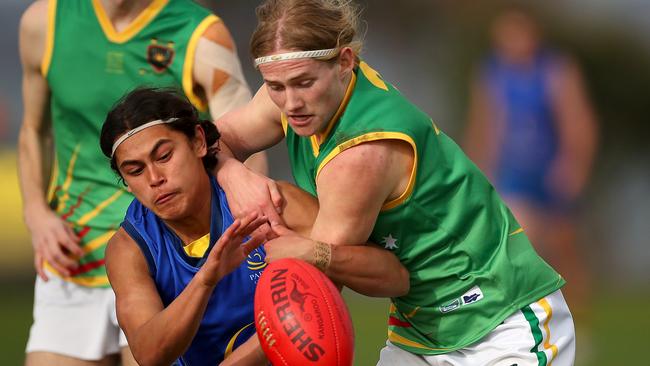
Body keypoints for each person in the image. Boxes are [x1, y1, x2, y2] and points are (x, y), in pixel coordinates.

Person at [213, 0, 576, 364]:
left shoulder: (360, 153)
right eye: (275, 86)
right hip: (420, 331)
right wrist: (234, 175)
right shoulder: (296, 94)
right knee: (279, 197)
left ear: (344, 61)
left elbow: (312, 294)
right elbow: (209, 140)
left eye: (303, 83)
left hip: (502, 321)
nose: (290, 103)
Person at [17, 0, 265, 364]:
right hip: (74, 252)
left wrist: (252, 237)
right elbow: (33, 130)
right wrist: (36, 212)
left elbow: (244, 140)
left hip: (165, 256)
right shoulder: (44, 22)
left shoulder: (200, 33)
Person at [99, 87, 409, 365]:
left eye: (164, 156)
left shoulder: (268, 204)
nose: (155, 179)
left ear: (198, 142)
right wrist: (207, 278)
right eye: (135, 170)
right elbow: (149, 353)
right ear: (125, 182)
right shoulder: (130, 249)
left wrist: (318, 254)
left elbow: (394, 276)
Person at [463, 7, 598, 327]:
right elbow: (484, 126)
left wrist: (574, 164)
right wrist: (479, 171)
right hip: (513, 173)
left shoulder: (555, 70)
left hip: (550, 171)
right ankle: (528, 322)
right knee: (522, 241)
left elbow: (578, 121)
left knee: (564, 250)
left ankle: (579, 324)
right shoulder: (493, 74)